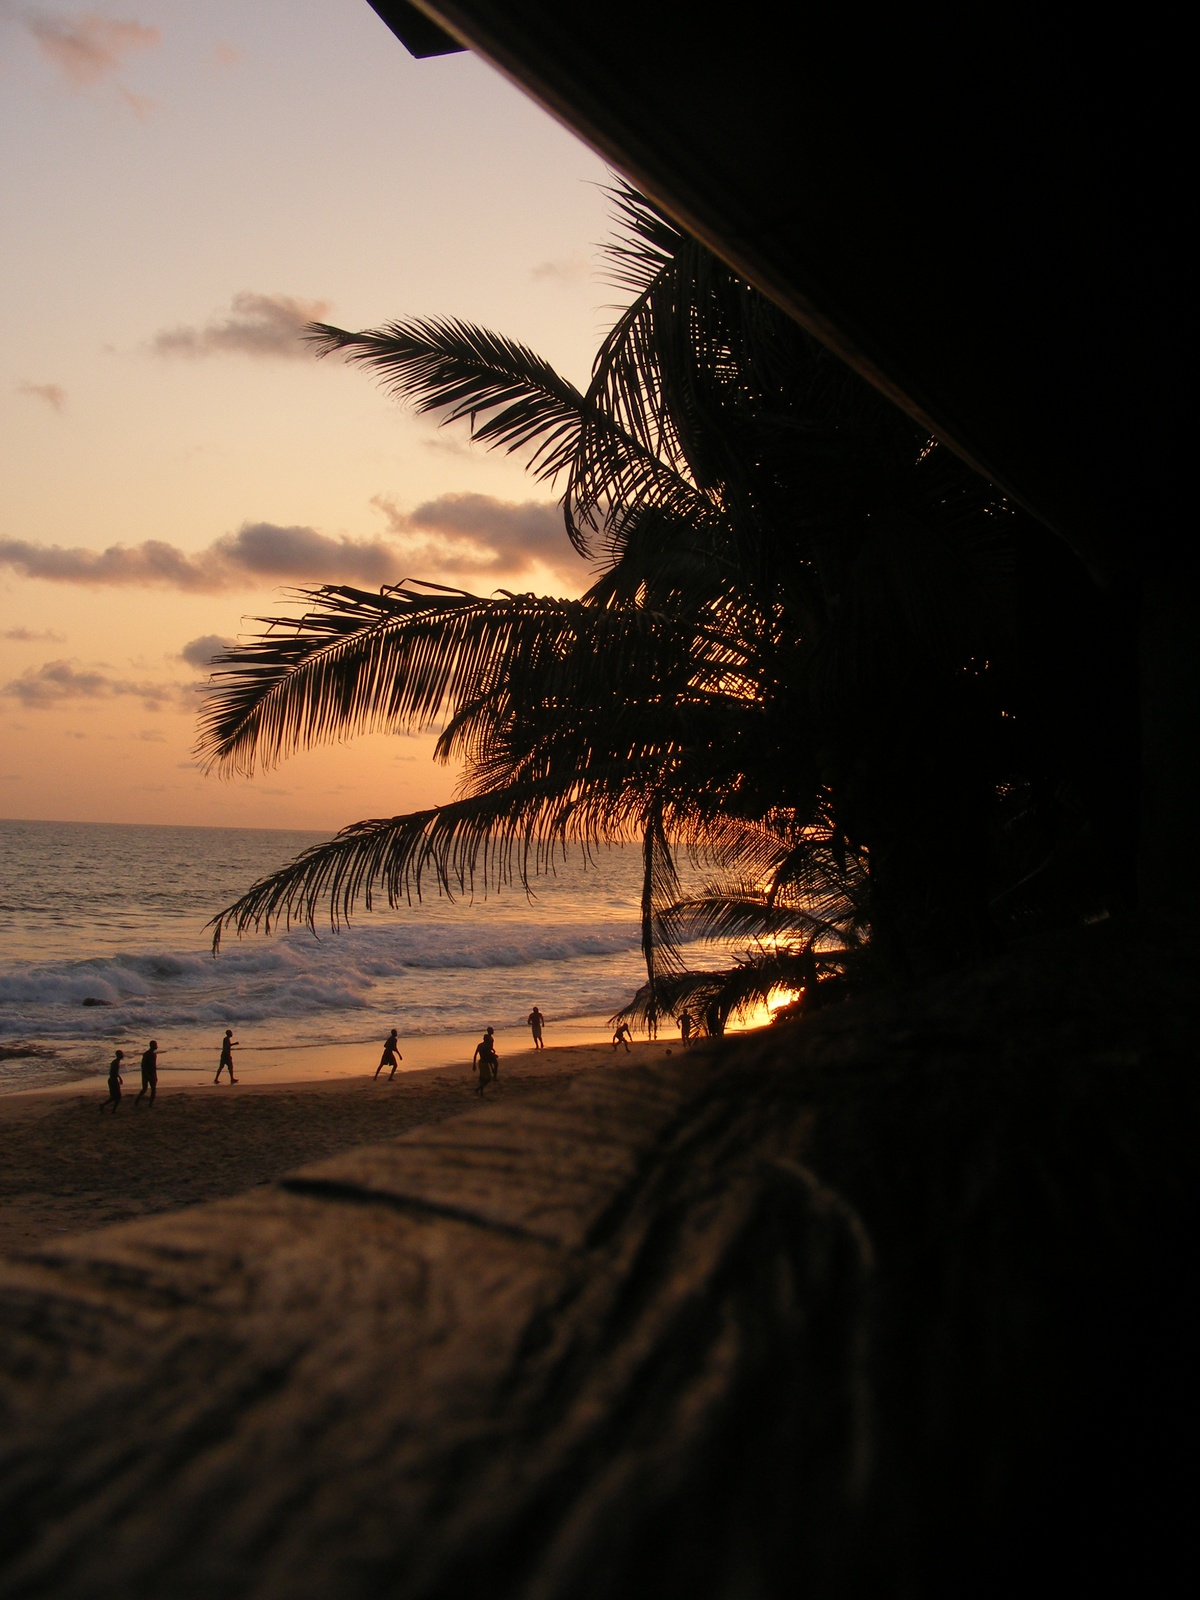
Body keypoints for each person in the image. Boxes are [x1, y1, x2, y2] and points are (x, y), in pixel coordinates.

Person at [472, 1027, 498, 1094]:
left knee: (483, 1078)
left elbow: (475, 1055)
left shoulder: (480, 1045)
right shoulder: (486, 1046)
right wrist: (493, 1055)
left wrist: (474, 1064)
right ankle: (478, 1089)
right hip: (484, 1063)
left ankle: (480, 1090)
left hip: (481, 1062)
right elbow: (487, 1057)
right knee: (487, 1079)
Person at [135, 1039, 158, 1106]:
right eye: (155, 1045)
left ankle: (150, 1104)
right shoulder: (147, 1054)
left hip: (151, 1073)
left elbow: (154, 1066)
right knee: (145, 1089)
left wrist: (155, 1075)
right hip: (146, 1073)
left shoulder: (154, 1055)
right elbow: (143, 1065)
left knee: (153, 1089)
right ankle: (137, 1101)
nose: (157, 1046)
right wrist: (146, 1074)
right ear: (152, 1046)